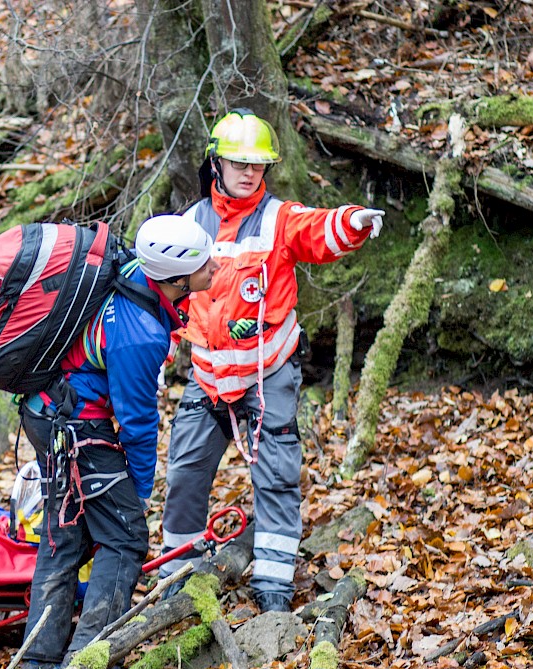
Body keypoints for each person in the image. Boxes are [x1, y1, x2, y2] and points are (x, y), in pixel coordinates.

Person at [157, 108, 385, 612]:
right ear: (217, 163)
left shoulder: (278, 218)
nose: (249, 173)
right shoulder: (191, 223)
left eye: (257, 166)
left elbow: (317, 230)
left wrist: (354, 222)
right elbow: (166, 290)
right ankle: (175, 578)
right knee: (185, 474)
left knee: (276, 477)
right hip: (208, 377)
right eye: (239, 164)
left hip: (268, 374)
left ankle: (275, 587)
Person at [19, 214, 218, 669]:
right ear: (177, 278)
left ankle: (36, 662)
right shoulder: (139, 334)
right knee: (126, 537)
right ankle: (86, 664)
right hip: (79, 430)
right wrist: (141, 492)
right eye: (205, 262)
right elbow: (137, 422)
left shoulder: (130, 273)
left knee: (64, 536)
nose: (215, 266)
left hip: (47, 414)